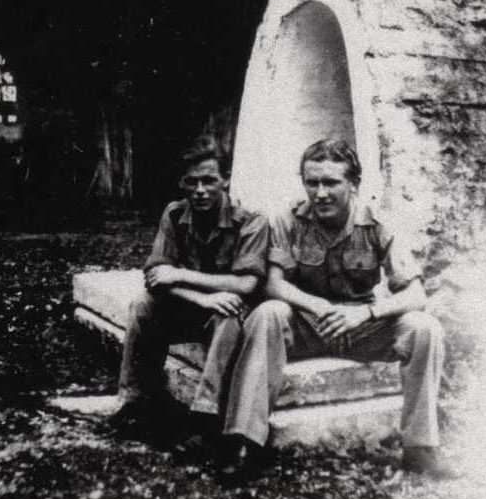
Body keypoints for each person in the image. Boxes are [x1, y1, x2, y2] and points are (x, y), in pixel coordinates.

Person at [219, 138, 449, 479]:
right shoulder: (288, 220)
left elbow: (416, 295)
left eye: (331, 183)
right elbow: (274, 285)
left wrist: (365, 314)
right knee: (267, 314)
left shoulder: (378, 223)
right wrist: (316, 305)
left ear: (354, 184)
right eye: (312, 183)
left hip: (360, 326)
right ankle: (246, 442)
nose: (320, 193)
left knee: (424, 327)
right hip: (307, 324)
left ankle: (421, 447)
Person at [109, 135, 269, 458]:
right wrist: (201, 298)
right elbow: (155, 277)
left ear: (225, 179)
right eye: (191, 181)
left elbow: (246, 284)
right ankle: (136, 403)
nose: (200, 190)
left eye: (209, 180)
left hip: (229, 316)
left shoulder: (251, 220)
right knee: (143, 305)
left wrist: (181, 275)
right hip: (191, 308)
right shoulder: (174, 214)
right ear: (181, 182)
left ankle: (205, 418)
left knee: (229, 312)